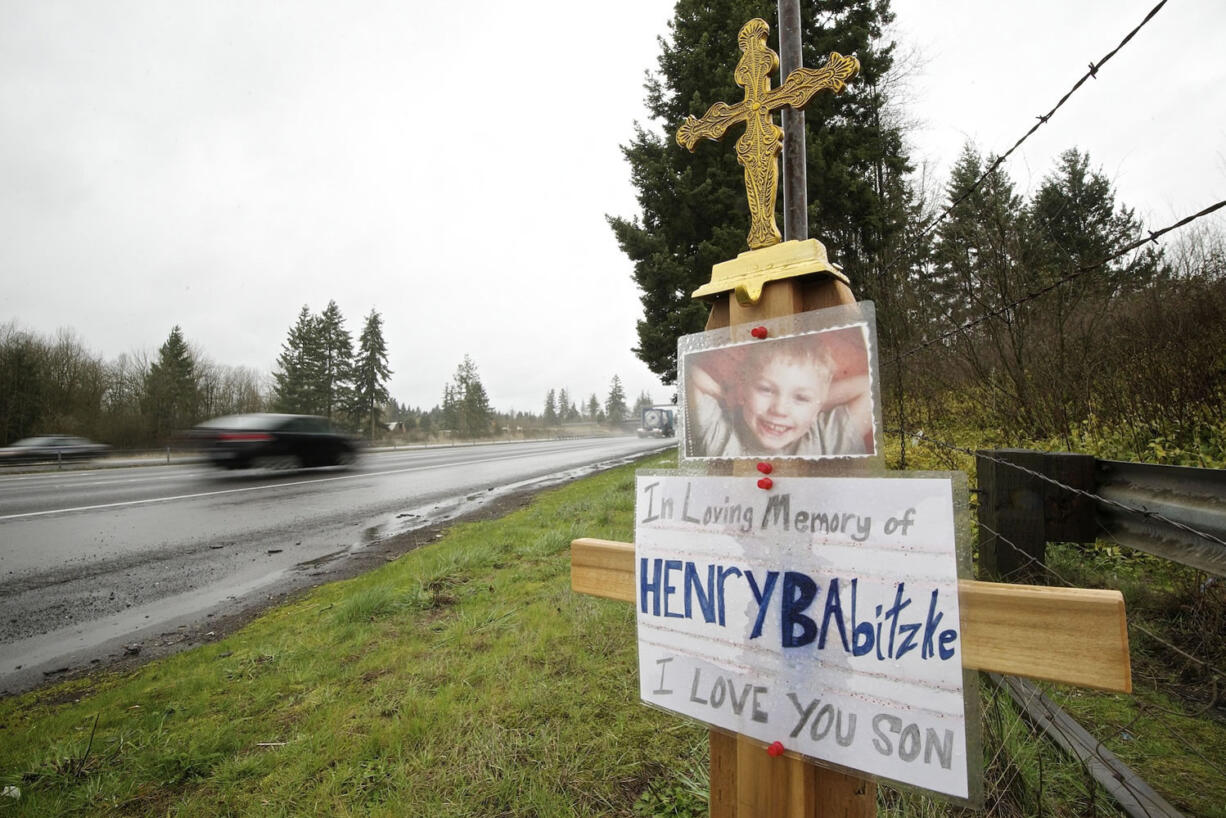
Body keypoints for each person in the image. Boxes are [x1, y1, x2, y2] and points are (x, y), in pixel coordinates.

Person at [686, 333, 872, 458]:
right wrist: (728, 395)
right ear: (743, 391)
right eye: (766, 390)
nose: (780, 409)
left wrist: (816, 403)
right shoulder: (721, 435)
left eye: (801, 398)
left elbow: (868, 386)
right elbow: (687, 372)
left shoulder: (826, 438)